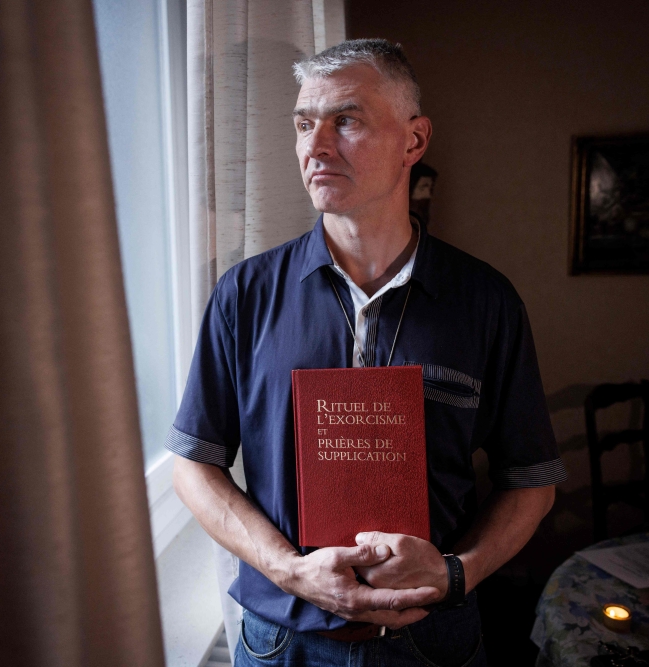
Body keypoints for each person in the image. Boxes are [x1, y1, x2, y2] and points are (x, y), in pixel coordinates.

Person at [170, 38, 566, 666]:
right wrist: (290, 571)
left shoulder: (486, 302)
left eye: (346, 120)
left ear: (414, 141)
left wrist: (456, 573)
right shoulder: (243, 296)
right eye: (305, 123)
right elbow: (193, 464)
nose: (315, 145)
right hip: (280, 641)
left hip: (432, 643)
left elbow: (532, 480)